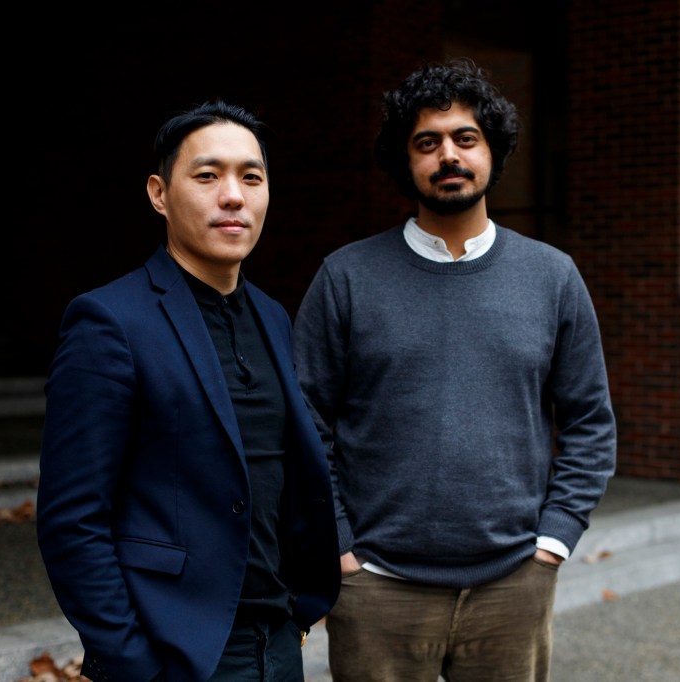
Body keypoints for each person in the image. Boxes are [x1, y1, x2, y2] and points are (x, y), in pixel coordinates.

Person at [292, 59, 618, 681]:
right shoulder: (346, 277)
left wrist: (553, 541)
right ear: (405, 160)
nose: (448, 155)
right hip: (379, 589)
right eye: (427, 142)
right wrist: (340, 549)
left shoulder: (552, 277)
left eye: (465, 138)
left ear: (492, 150)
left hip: (513, 586)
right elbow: (304, 427)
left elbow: (590, 422)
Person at [36, 100, 340, 682]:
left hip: (279, 640)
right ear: (159, 193)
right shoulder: (109, 320)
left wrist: (298, 612)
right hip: (176, 652)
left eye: (251, 177)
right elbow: (71, 519)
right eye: (207, 176)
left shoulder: (274, 316)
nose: (233, 196)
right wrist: (132, 663)